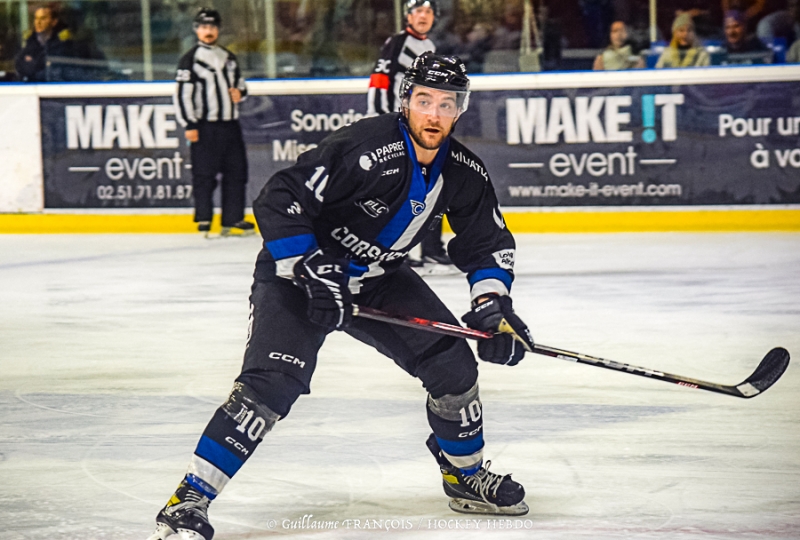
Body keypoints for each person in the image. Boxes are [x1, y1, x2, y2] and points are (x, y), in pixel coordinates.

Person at [147, 52, 534, 540]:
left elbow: (487, 245)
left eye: (446, 103)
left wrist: (493, 307)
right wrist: (309, 264)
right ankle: (189, 500)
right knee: (273, 382)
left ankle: (464, 475)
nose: (433, 114)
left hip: (378, 278)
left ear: (460, 109)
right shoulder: (365, 146)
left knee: (453, 366)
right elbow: (280, 196)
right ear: (405, 101)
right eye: (424, 100)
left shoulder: (463, 170)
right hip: (301, 273)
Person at [368, 0, 452, 270]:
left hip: (418, 127)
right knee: (398, 188)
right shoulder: (397, 43)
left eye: (428, 12)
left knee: (429, 185)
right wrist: (381, 120)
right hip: (398, 126)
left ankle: (431, 248)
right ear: (408, 16)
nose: (424, 16)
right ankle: (388, 249)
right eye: (418, 11)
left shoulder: (430, 48)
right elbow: (379, 82)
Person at [173, 8, 254, 237]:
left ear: (218, 30)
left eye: (212, 27)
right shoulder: (190, 60)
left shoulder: (228, 57)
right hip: (205, 125)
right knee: (204, 174)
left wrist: (241, 93)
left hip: (230, 124)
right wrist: (190, 124)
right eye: (203, 27)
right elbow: (182, 95)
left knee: (237, 172)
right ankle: (204, 219)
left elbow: (241, 85)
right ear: (197, 30)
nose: (208, 31)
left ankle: (233, 218)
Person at [14, 6, 74, 82]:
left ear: (54, 22)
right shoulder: (29, 42)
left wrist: (32, 63)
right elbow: (19, 64)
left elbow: (55, 69)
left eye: (43, 18)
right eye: (36, 18)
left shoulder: (62, 43)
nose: (38, 22)